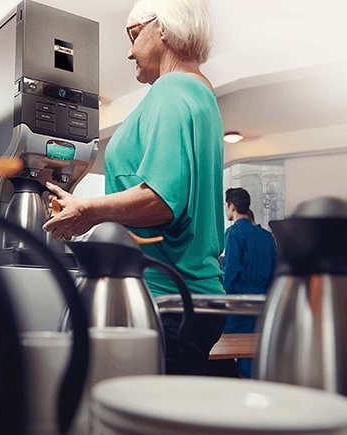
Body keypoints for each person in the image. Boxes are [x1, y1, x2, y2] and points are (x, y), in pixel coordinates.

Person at [43, 0, 225, 375]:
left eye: (133, 33)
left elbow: (161, 200)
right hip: (194, 300)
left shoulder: (172, 90)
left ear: (162, 28)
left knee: (147, 426)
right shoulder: (200, 93)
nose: (129, 51)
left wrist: (88, 210)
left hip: (168, 298)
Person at [222, 188, 277, 378]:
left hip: (237, 309)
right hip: (261, 307)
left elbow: (231, 272)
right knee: (253, 362)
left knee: (224, 357)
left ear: (232, 206)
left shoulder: (233, 234)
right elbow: (274, 271)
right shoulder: (266, 236)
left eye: (226, 205)